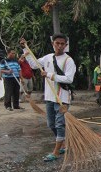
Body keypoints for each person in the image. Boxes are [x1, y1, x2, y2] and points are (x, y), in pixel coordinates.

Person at [20, 33, 76, 162]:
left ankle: (56, 152)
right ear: (53, 44)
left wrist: (50, 75)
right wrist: (25, 49)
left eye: (62, 44)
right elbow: (34, 64)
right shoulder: (48, 58)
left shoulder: (69, 61)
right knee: (51, 124)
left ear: (66, 45)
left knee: (60, 124)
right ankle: (62, 144)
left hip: (62, 97)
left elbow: (69, 79)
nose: (60, 46)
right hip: (50, 96)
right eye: (57, 43)